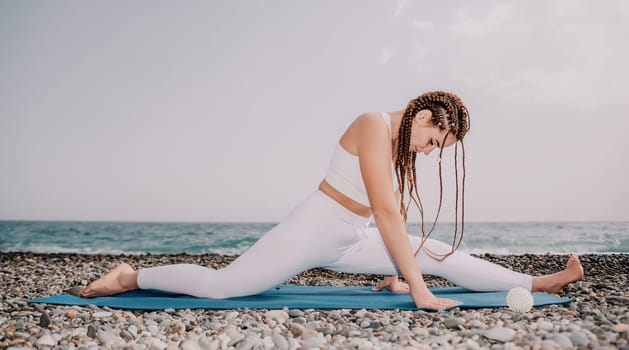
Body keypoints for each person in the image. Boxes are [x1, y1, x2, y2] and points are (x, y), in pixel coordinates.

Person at [76, 91, 584, 310]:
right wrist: (418, 290)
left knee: (436, 252)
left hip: (351, 236)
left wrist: (394, 265)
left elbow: (388, 215)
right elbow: (386, 210)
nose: (428, 153)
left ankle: (537, 280)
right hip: (314, 229)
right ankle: (130, 276)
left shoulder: (402, 138)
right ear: (426, 117)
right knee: (224, 287)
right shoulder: (372, 124)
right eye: (433, 144)